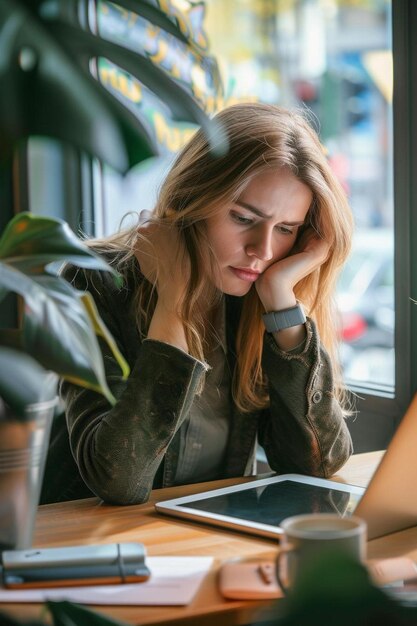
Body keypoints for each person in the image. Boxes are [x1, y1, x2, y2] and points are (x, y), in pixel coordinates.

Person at [59, 102, 354, 505]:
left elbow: (319, 464)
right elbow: (119, 482)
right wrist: (175, 300)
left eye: (285, 229)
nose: (262, 250)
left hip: (207, 542)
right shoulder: (94, 279)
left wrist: (282, 300)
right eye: (243, 218)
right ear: (194, 196)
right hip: (96, 548)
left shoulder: (257, 297)